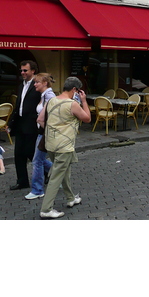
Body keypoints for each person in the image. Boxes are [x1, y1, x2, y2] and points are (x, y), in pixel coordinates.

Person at [39, 76, 91, 219]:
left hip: (51, 144)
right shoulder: (72, 104)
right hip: (64, 145)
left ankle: (71, 198)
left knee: (64, 171)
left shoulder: (51, 101)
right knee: (56, 177)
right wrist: (84, 101)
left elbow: (40, 119)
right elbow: (87, 118)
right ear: (75, 89)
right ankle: (46, 209)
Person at [9, 60, 42, 191]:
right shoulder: (22, 85)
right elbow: (19, 106)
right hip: (21, 123)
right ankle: (22, 181)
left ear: (33, 71)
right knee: (18, 154)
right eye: (21, 70)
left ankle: (47, 172)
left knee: (31, 152)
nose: (22, 73)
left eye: (25, 70)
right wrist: (11, 123)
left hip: (32, 124)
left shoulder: (37, 85)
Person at [25, 73, 55, 200]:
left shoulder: (49, 96)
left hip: (44, 133)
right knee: (40, 159)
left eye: (37, 82)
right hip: (42, 132)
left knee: (37, 160)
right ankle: (59, 174)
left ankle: (37, 190)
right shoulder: (43, 96)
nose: (35, 84)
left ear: (45, 83)